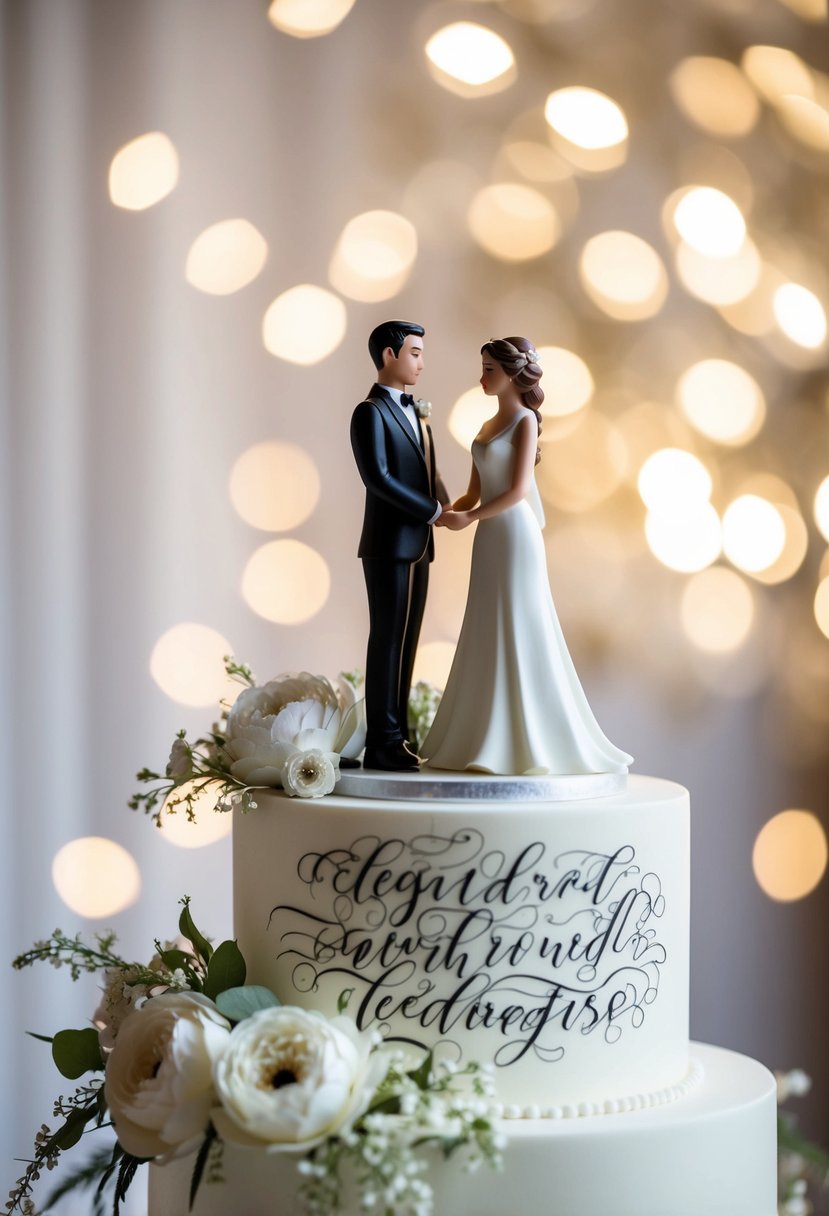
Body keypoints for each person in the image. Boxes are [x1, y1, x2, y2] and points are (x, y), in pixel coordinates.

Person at [423, 336, 632, 776]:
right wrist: (447, 512)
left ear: (513, 375)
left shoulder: (524, 423)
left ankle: (532, 740)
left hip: (514, 534)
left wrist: (472, 516)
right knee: (486, 621)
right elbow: (475, 491)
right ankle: (483, 735)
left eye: (490, 371)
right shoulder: (483, 428)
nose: (482, 378)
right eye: (482, 369)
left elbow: (517, 493)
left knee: (521, 621)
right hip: (489, 537)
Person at [350, 320, 446, 771]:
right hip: (389, 543)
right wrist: (429, 509)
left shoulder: (418, 411)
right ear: (389, 356)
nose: (421, 362)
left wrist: (449, 502)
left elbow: (428, 466)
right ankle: (382, 740)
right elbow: (379, 478)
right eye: (414, 353)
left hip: (420, 543)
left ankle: (400, 734)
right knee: (387, 638)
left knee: (409, 640)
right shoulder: (369, 412)